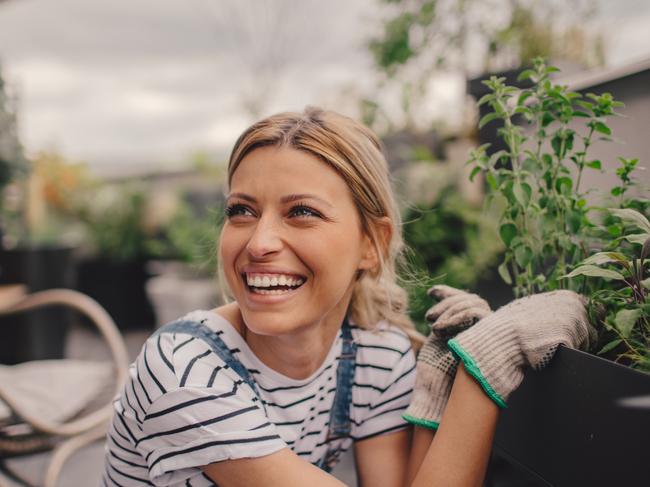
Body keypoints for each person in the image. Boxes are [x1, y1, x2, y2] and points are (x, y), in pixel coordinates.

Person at [102, 107, 594, 487]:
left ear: (371, 243)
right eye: (242, 211)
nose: (258, 242)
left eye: (301, 212)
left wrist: (447, 375)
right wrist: (490, 363)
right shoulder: (185, 371)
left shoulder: (372, 356)